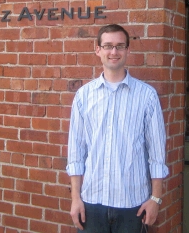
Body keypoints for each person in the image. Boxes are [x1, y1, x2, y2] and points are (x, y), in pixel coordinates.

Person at [66, 24, 169, 233]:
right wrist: (75, 198)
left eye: (120, 46)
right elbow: (76, 153)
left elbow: (157, 154)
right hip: (91, 203)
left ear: (128, 50)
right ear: (98, 50)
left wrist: (155, 199)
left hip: (133, 205)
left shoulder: (146, 96)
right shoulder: (84, 96)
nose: (114, 52)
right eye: (108, 46)